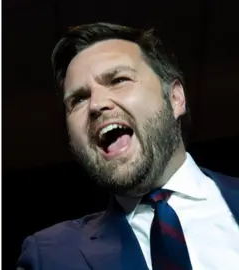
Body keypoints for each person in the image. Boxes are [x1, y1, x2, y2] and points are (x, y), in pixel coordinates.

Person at [17, 22, 239, 270]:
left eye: (118, 80)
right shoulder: (49, 256)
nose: (96, 104)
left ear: (176, 98)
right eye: (78, 99)